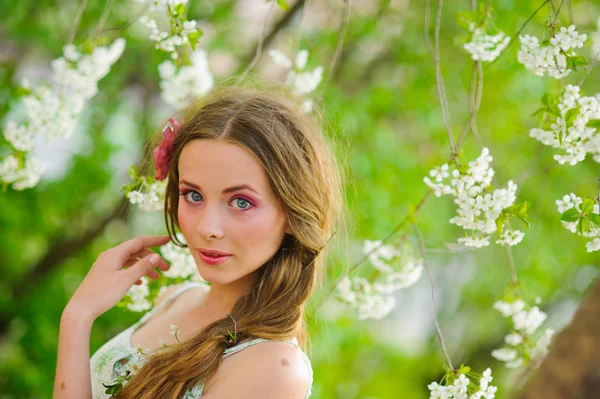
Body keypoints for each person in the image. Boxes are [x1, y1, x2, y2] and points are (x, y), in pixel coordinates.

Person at [53, 86, 344, 398]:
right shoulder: (175, 298)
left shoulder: (274, 368)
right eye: (193, 195)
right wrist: (78, 315)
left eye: (241, 202)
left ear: (292, 213)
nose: (208, 228)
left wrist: (78, 318)